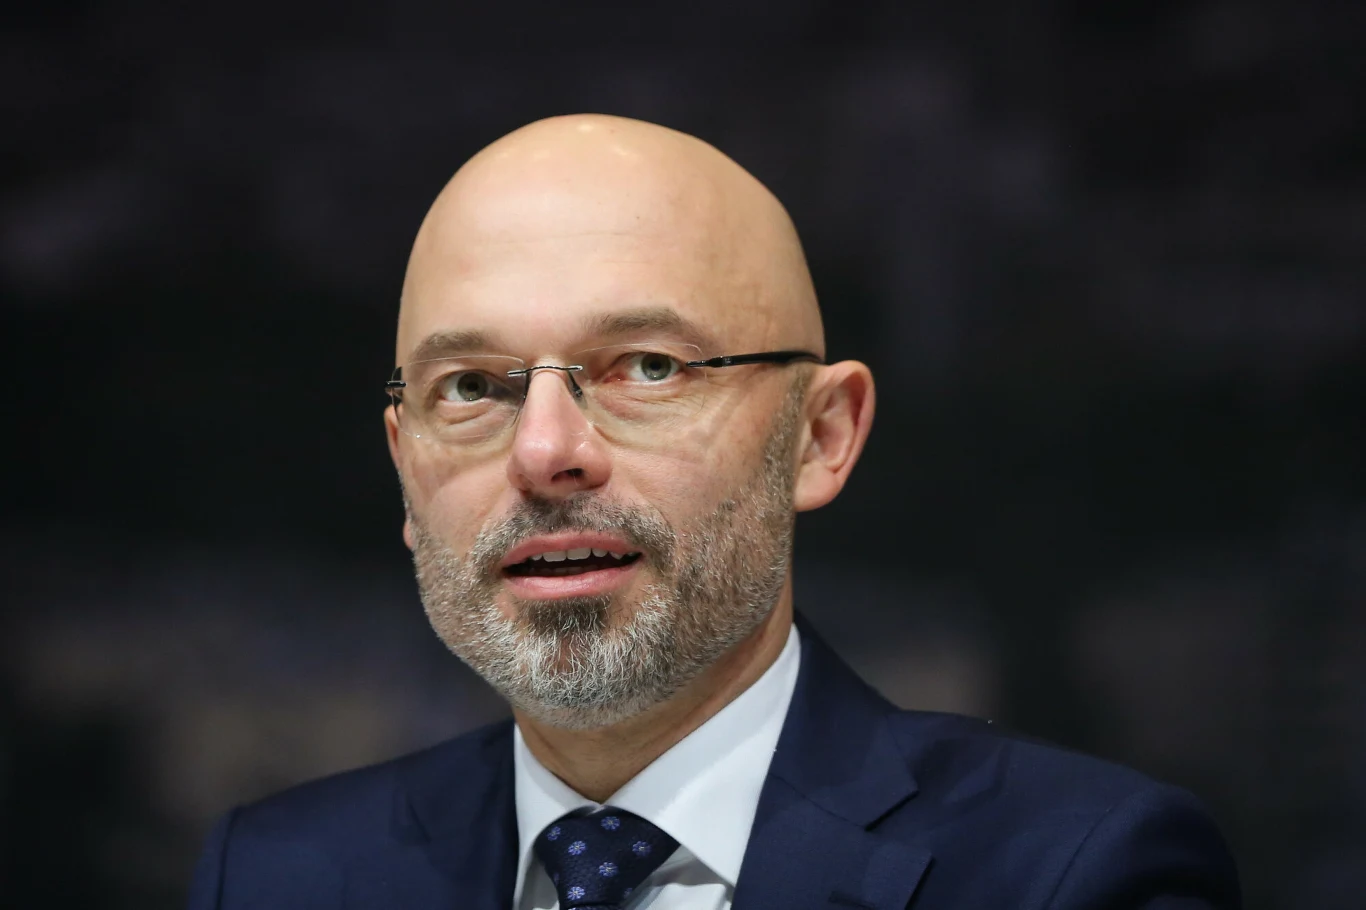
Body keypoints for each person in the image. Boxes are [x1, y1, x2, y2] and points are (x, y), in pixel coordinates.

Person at [187, 114, 1240, 909]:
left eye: (647, 367)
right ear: (404, 468)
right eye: (471, 386)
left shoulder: (1071, 874)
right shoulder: (276, 876)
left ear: (820, 436)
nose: (544, 452)